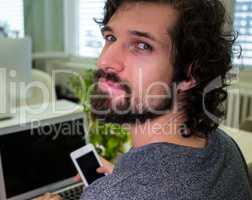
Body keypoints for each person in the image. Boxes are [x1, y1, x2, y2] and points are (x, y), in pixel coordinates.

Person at [77, 0, 252, 199]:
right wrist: (121, 176)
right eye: (111, 37)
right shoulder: (223, 146)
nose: (105, 61)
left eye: (142, 45)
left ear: (189, 75)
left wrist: (115, 188)